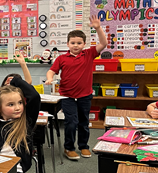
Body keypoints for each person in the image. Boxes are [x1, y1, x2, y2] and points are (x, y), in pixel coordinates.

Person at [45, 16, 108, 160]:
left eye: (79, 43)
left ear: (84, 44)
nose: (76, 45)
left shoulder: (89, 54)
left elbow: (103, 43)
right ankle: (69, 148)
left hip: (85, 96)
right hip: (67, 96)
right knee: (71, 122)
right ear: (67, 44)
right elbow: (51, 71)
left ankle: (84, 146)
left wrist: (98, 28)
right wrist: (50, 78)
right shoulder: (61, 58)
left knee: (84, 123)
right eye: (73, 43)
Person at [0, 76, 41, 173]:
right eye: (11, 104)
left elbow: (34, 97)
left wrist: (15, 81)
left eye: (20, 103)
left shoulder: (25, 123)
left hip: (16, 170)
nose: (18, 108)